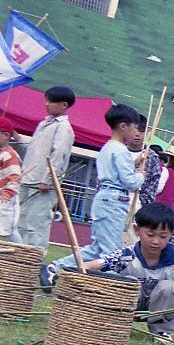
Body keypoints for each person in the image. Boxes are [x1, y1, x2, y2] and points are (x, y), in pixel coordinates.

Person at [80, 203, 174, 340]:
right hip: (130, 307)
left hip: (160, 308)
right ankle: (118, 326)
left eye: (163, 236)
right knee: (128, 283)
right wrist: (76, 272)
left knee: (169, 288)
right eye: (150, 234)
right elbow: (97, 264)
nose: (156, 241)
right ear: (136, 230)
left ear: (171, 234)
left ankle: (161, 332)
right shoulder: (126, 256)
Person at [43, 104, 147, 282]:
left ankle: (56, 267)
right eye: (134, 127)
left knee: (97, 248)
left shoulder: (108, 148)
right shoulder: (121, 150)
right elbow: (130, 182)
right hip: (114, 200)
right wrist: (140, 176)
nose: (136, 133)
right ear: (123, 127)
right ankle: (103, 287)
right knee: (111, 252)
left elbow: (118, 173)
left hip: (105, 198)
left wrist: (133, 165)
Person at [14, 85, 75, 251]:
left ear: (64, 105)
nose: (47, 104)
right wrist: (16, 136)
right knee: (19, 221)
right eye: (47, 100)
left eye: (52, 101)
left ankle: (34, 260)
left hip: (43, 186)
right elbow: (34, 149)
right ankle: (17, 258)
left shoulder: (64, 128)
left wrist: (48, 180)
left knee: (35, 224)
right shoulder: (43, 123)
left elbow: (59, 155)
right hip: (28, 179)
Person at [131, 116, 165, 206]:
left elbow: (153, 185)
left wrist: (141, 201)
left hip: (137, 204)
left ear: (147, 132)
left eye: (142, 131)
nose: (138, 134)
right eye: (135, 130)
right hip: (114, 202)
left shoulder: (152, 157)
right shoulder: (119, 151)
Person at [0, 117, 22, 241]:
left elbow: (15, 178)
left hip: (5, 200)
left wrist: (7, 194)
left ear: (6, 135)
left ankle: (24, 252)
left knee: (8, 230)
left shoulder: (10, 155)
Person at [155, 146, 174, 211]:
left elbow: (158, 189)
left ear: (170, 158)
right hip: (170, 208)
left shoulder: (165, 170)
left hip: (158, 207)